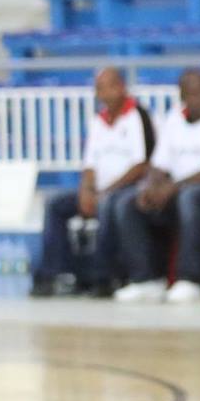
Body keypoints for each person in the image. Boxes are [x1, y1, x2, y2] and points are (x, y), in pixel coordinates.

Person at [110, 69, 200, 304]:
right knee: (128, 202)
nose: (194, 99)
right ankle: (146, 279)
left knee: (189, 198)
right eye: (187, 94)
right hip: (175, 189)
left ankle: (189, 279)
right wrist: (150, 186)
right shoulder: (174, 118)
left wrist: (173, 187)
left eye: (198, 93)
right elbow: (159, 165)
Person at [32, 67, 151, 297]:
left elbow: (141, 165)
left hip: (129, 189)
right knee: (55, 204)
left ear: (121, 87)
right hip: (99, 190)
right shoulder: (98, 121)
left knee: (109, 204)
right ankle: (56, 274)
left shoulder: (138, 116)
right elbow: (90, 164)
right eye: (98, 88)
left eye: (106, 86)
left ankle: (101, 277)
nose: (102, 93)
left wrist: (105, 192)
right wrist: (86, 190)